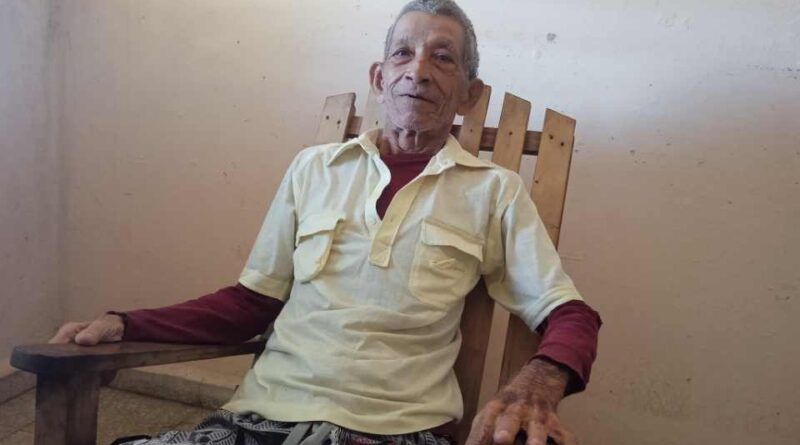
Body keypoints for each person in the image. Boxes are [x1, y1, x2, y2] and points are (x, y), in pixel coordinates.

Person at [50, 2, 601, 445]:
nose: (418, 71)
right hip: (261, 419)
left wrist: (539, 382)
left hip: (397, 431)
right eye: (403, 53)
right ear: (380, 77)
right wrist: (127, 323)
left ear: (469, 94)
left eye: (442, 58)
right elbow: (250, 303)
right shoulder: (313, 168)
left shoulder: (494, 190)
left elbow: (571, 314)